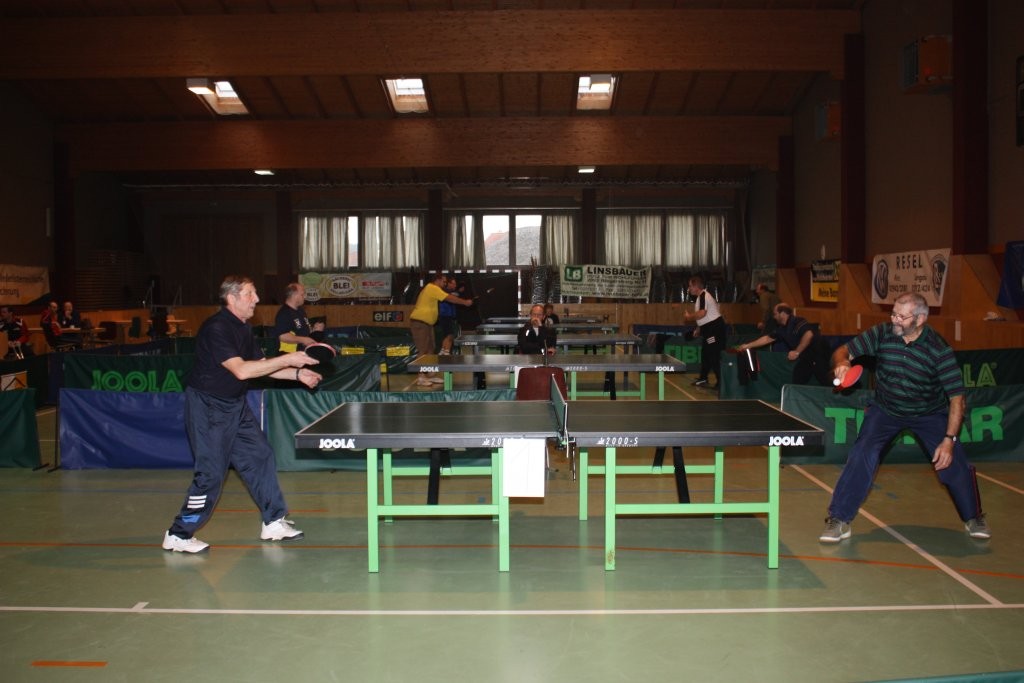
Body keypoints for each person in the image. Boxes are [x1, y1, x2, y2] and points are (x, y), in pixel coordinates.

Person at [162, 275, 322, 553]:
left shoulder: (243, 328)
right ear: (232, 298)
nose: (256, 299)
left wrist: (298, 374)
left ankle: (273, 521)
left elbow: (262, 365)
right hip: (209, 408)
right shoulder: (217, 328)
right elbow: (242, 370)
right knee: (211, 474)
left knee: (260, 455)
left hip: (234, 405)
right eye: (250, 294)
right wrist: (289, 358)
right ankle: (178, 533)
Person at [819, 292, 989, 543]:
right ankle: (839, 520)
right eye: (893, 314)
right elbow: (844, 350)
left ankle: (974, 517)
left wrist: (949, 440)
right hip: (886, 410)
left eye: (902, 316)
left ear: (920, 319)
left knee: (953, 462)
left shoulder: (938, 349)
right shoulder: (883, 333)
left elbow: (957, 398)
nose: (894, 320)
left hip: (928, 413)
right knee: (862, 454)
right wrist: (842, 362)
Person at [737, 303, 832, 386]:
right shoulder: (782, 329)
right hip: (807, 357)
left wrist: (797, 352)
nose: (774, 317)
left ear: (782, 314)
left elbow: (809, 335)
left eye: (775, 314)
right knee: (798, 378)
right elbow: (767, 338)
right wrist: (748, 346)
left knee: (826, 379)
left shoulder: (798, 321)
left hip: (819, 353)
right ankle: (794, 398)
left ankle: (836, 398)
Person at [409, 271, 474, 387]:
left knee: (431, 350)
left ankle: (429, 375)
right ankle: (420, 377)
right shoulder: (431, 287)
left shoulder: (433, 289)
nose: (444, 284)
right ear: (437, 280)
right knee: (423, 350)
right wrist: (465, 302)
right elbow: (449, 298)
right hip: (420, 323)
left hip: (428, 324)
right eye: (443, 282)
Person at [683, 275, 726, 388]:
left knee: (713, 354)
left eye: (690, 286)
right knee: (706, 353)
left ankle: (722, 383)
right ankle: (703, 378)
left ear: (696, 286)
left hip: (715, 329)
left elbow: (702, 313)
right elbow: (704, 317)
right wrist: (698, 328)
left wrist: (689, 317)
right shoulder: (701, 297)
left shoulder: (703, 295)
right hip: (709, 328)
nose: (689, 288)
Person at [273, 282, 324, 353]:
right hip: (289, 355)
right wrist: (303, 340)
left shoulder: (301, 311)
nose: (305, 297)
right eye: (302, 294)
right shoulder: (284, 313)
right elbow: (283, 336)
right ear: (294, 295)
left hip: (302, 353)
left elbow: (302, 331)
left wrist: (315, 330)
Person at [437, 274, 463, 355]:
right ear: (448, 284)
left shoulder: (450, 292)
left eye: (455, 284)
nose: (455, 285)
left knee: (447, 335)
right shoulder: (444, 291)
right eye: (453, 283)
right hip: (445, 316)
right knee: (450, 335)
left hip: (449, 317)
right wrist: (459, 292)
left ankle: (443, 351)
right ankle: (446, 352)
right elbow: (455, 295)